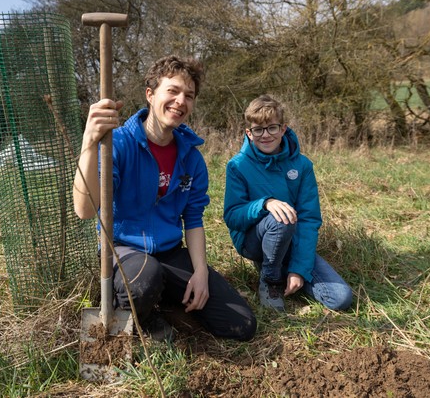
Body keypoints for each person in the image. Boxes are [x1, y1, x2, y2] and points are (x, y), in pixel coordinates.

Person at [73, 55, 256, 341]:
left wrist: (200, 274)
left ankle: (164, 302)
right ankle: (142, 318)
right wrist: (89, 142)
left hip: (170, 253)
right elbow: (85, 210)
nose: (181, 101)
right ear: (150, 94)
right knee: (145, 278)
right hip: (123, 251)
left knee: (241, 324)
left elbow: (193, 220)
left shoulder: (192, 159)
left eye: (189, 95)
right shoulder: (117, 145)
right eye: (172, 91)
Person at [223, 94, 352, 312]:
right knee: (281, 216)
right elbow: (232, 215)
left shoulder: (302, 166)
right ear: (249, 132)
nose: (265, 135)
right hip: (251, 239)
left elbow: (309, 218)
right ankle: (270, 280)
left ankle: (279, 263)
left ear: (283, 129)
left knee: (340, 298)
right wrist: (265, 204)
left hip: (291, 239)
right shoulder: (237, 166)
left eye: (272, 128)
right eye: (258, 129)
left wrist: (299, 269)